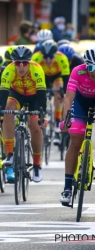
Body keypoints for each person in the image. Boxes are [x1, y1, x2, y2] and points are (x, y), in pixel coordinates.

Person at [0, 46, 46, 183]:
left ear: (29, 62)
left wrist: (43, 116)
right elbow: (3, 93)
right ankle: (10, 154)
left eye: (25, 63)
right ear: (13, 63)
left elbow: (42, 95)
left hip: (34, 96)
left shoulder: (37, 69)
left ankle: (36, 165)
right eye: (18, 63)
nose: (22, 66)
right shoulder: (8, 70)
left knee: (35, 126)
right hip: (16, 94)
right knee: (8, 110)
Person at [59, 48, 95, 205]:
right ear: (86, 66)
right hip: (80, 102)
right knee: (75, 141)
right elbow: (68, 99)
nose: (94, 72)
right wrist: (66, 119)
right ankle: (67, 188)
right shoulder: (77, 71)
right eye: (91, 68)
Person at [31, 39, 70, 146]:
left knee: (58, 91)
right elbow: (32, 76)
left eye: (51, 57)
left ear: (55, 54)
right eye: (45, 57)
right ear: (41, 54)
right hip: (42, 76)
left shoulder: (62, 58)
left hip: (56, 76)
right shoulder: (36, 58)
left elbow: (66, 77)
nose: (48, 60)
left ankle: (57, 120)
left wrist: (64, 93)